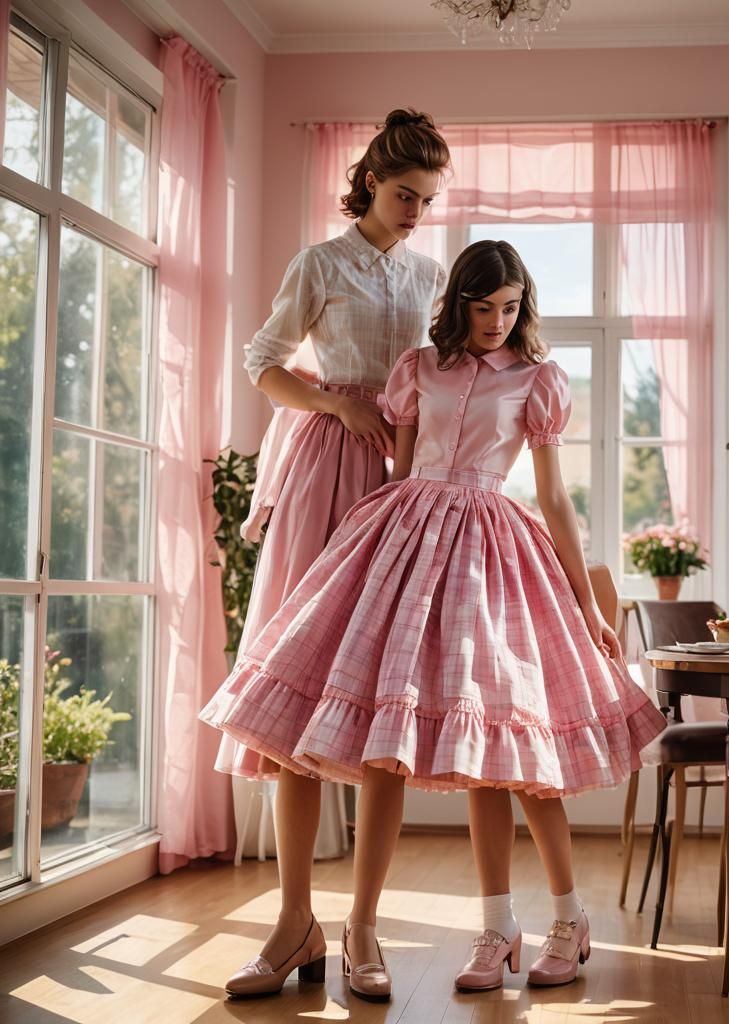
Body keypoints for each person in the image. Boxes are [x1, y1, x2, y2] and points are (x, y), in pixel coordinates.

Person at [202, 240, 665, 1001]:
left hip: (491, 552)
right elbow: (398, 471)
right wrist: (360, 558)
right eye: (482, 307)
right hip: (403, 542)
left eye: (509, 308)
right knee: (412, 735)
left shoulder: (537, 379)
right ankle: (471, 927)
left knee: (511, 745)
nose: (496, 321)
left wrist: (586, 604)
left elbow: (553, 497)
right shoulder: (418, 368)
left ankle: (561, 918)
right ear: (458, 305)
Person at [202, 108, 450, 999]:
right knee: (293, 701)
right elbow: (262, 361)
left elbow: (444, 377)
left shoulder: (431, 275)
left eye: (428, 199)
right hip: (324, 472)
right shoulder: (320, 263)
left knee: (385, 702)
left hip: (402, 480)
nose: (416, 211)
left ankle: (363, 926)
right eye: (404, 194)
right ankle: (294, 922)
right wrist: (335, 403)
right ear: (370, 183)